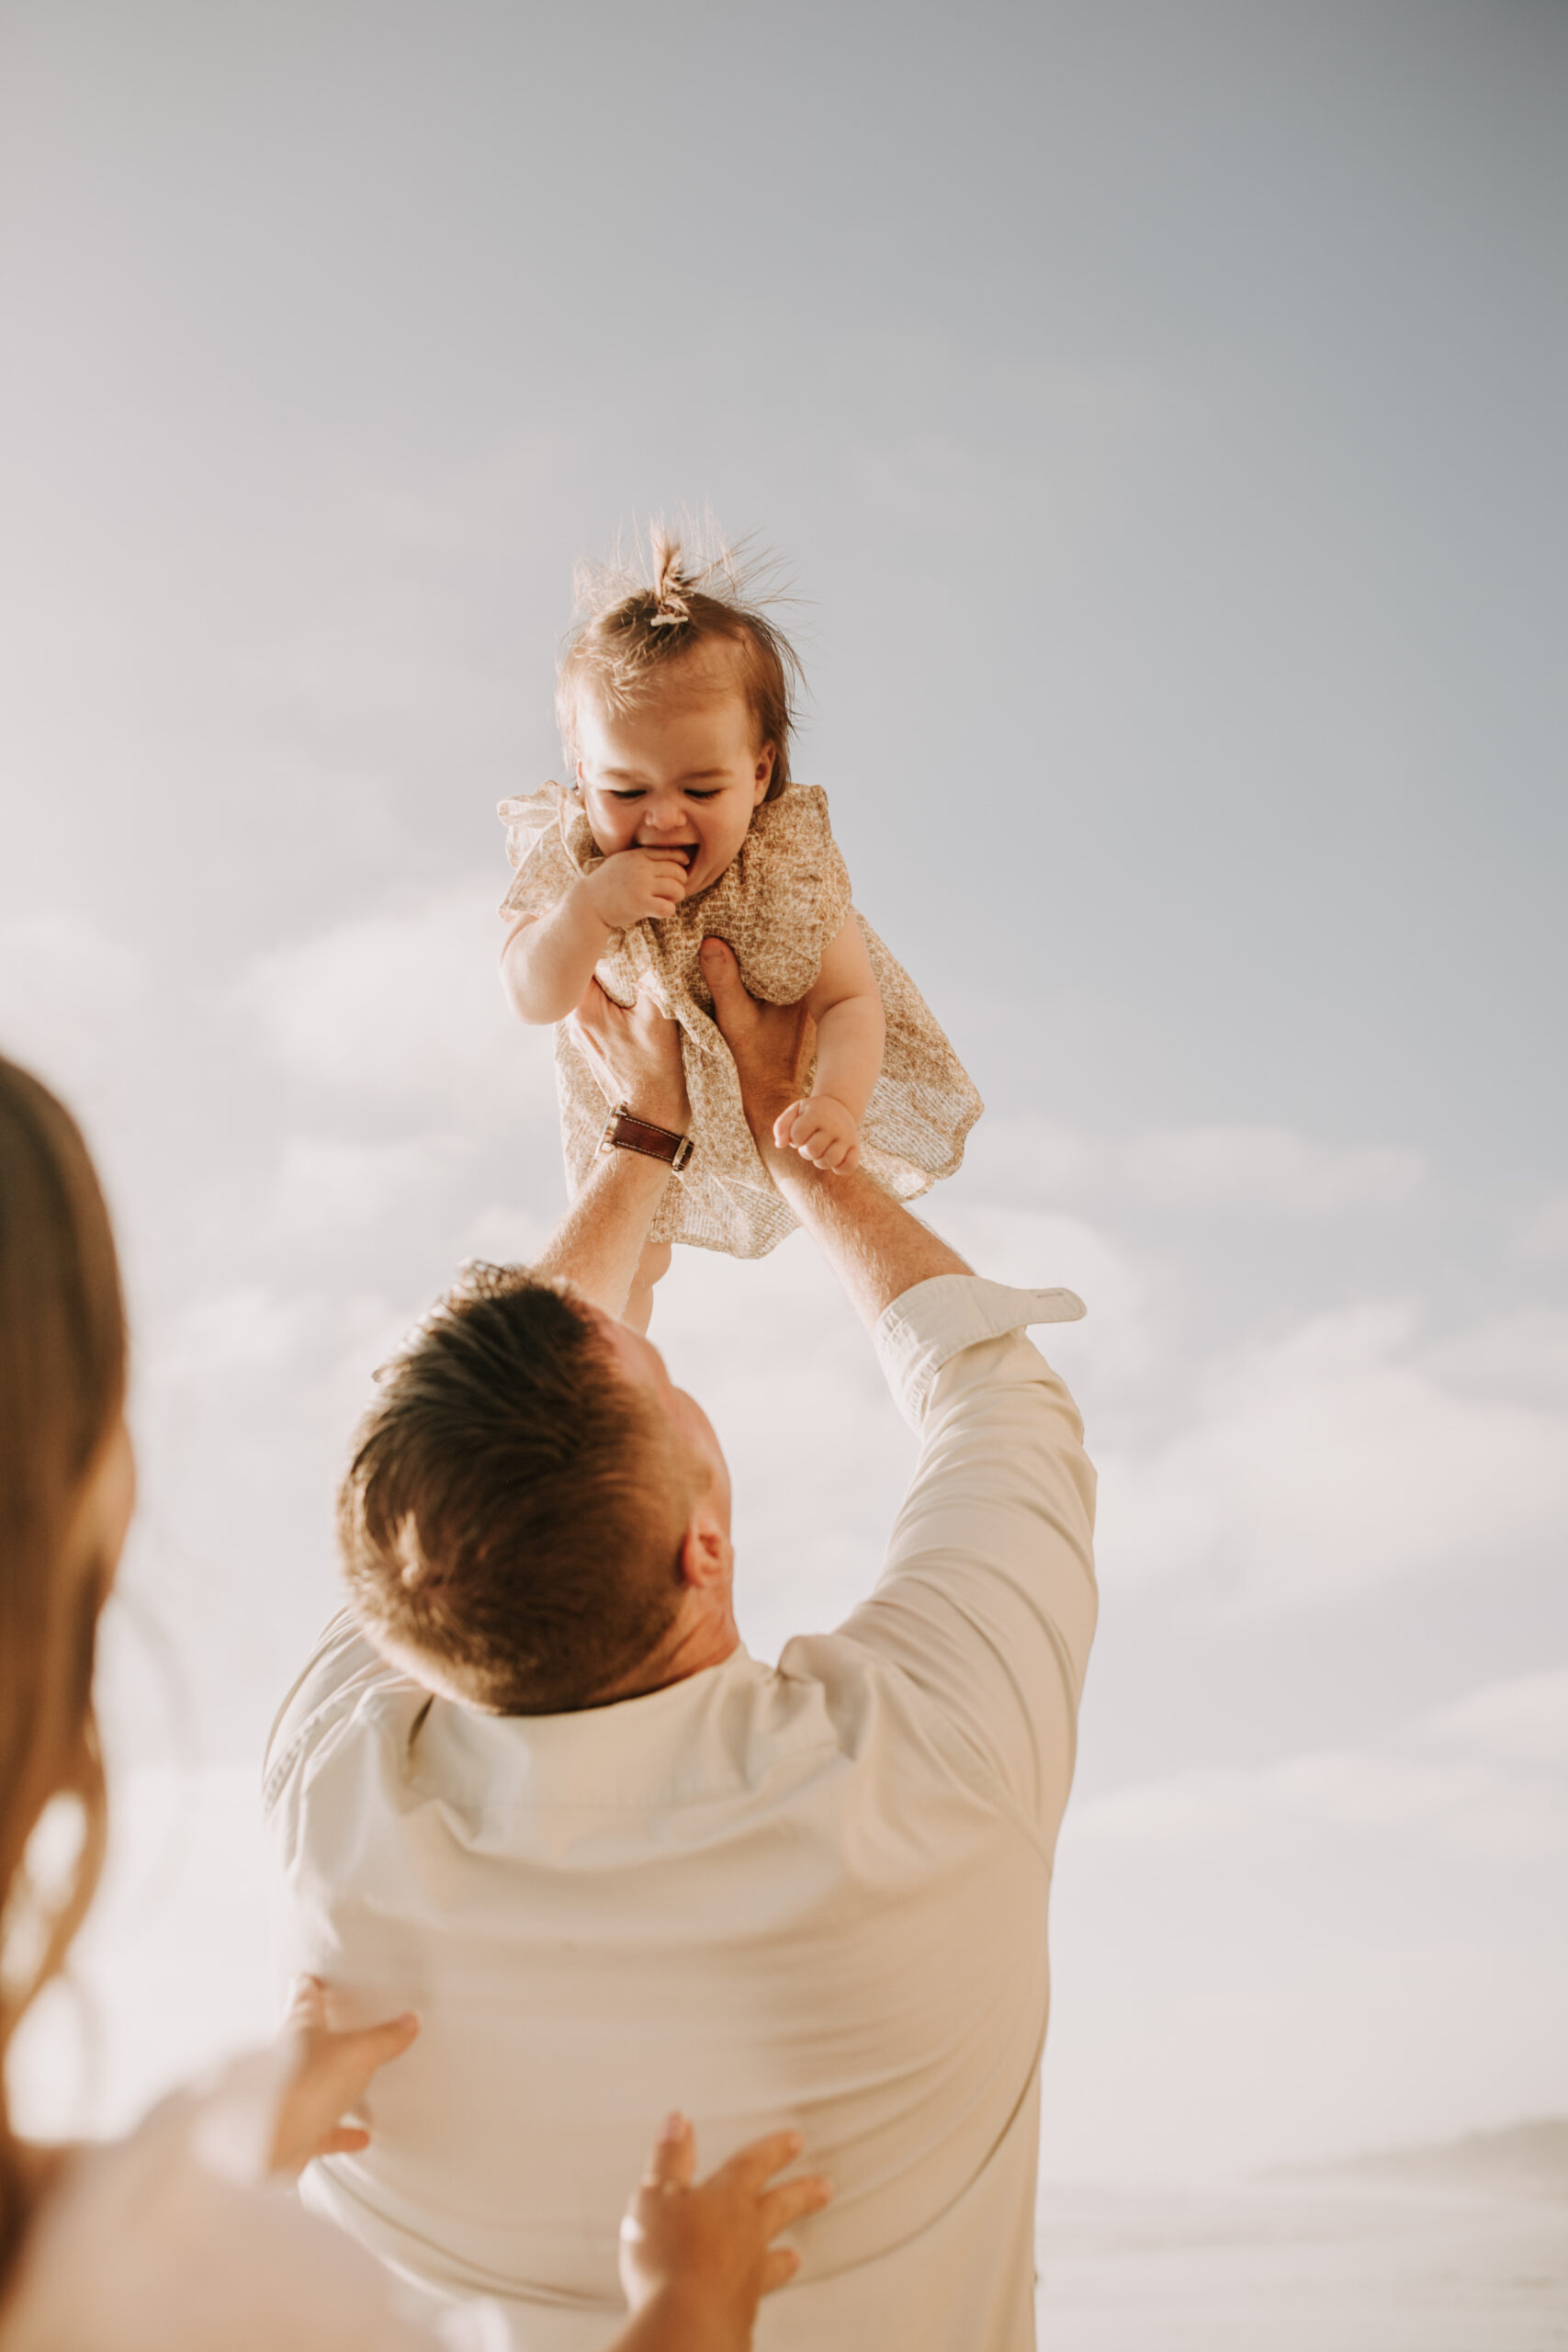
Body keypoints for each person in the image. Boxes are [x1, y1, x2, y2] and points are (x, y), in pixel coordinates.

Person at [266, 945, 1098, 2352]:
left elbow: (440, 1476)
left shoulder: (335, 1798)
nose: (644, 1340)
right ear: (701, 1547)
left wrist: (640, 1142)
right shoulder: (926, 1769)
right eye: (661, 1376)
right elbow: (993, 1392)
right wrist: (806, 1150)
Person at [0, 1052, 829, 2352]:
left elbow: (478, 1469)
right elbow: (479, 1478)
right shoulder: (192, 2289)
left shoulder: (152, 2238)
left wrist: (642, 1142)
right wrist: (680, 2317)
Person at [497, 527, 983, 1326]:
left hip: (780, 1096)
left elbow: (849, 1003)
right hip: (629, 1104)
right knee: (633, 1262)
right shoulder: (569, 856)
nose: (661, 817)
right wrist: (584, 914)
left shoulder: (784, 866)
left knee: (834, 1214)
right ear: (581, 772)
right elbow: (530, 994)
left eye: (700, 788)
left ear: (758, 775)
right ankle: (623, 1388)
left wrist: (836, 1104)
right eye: (624, 791)